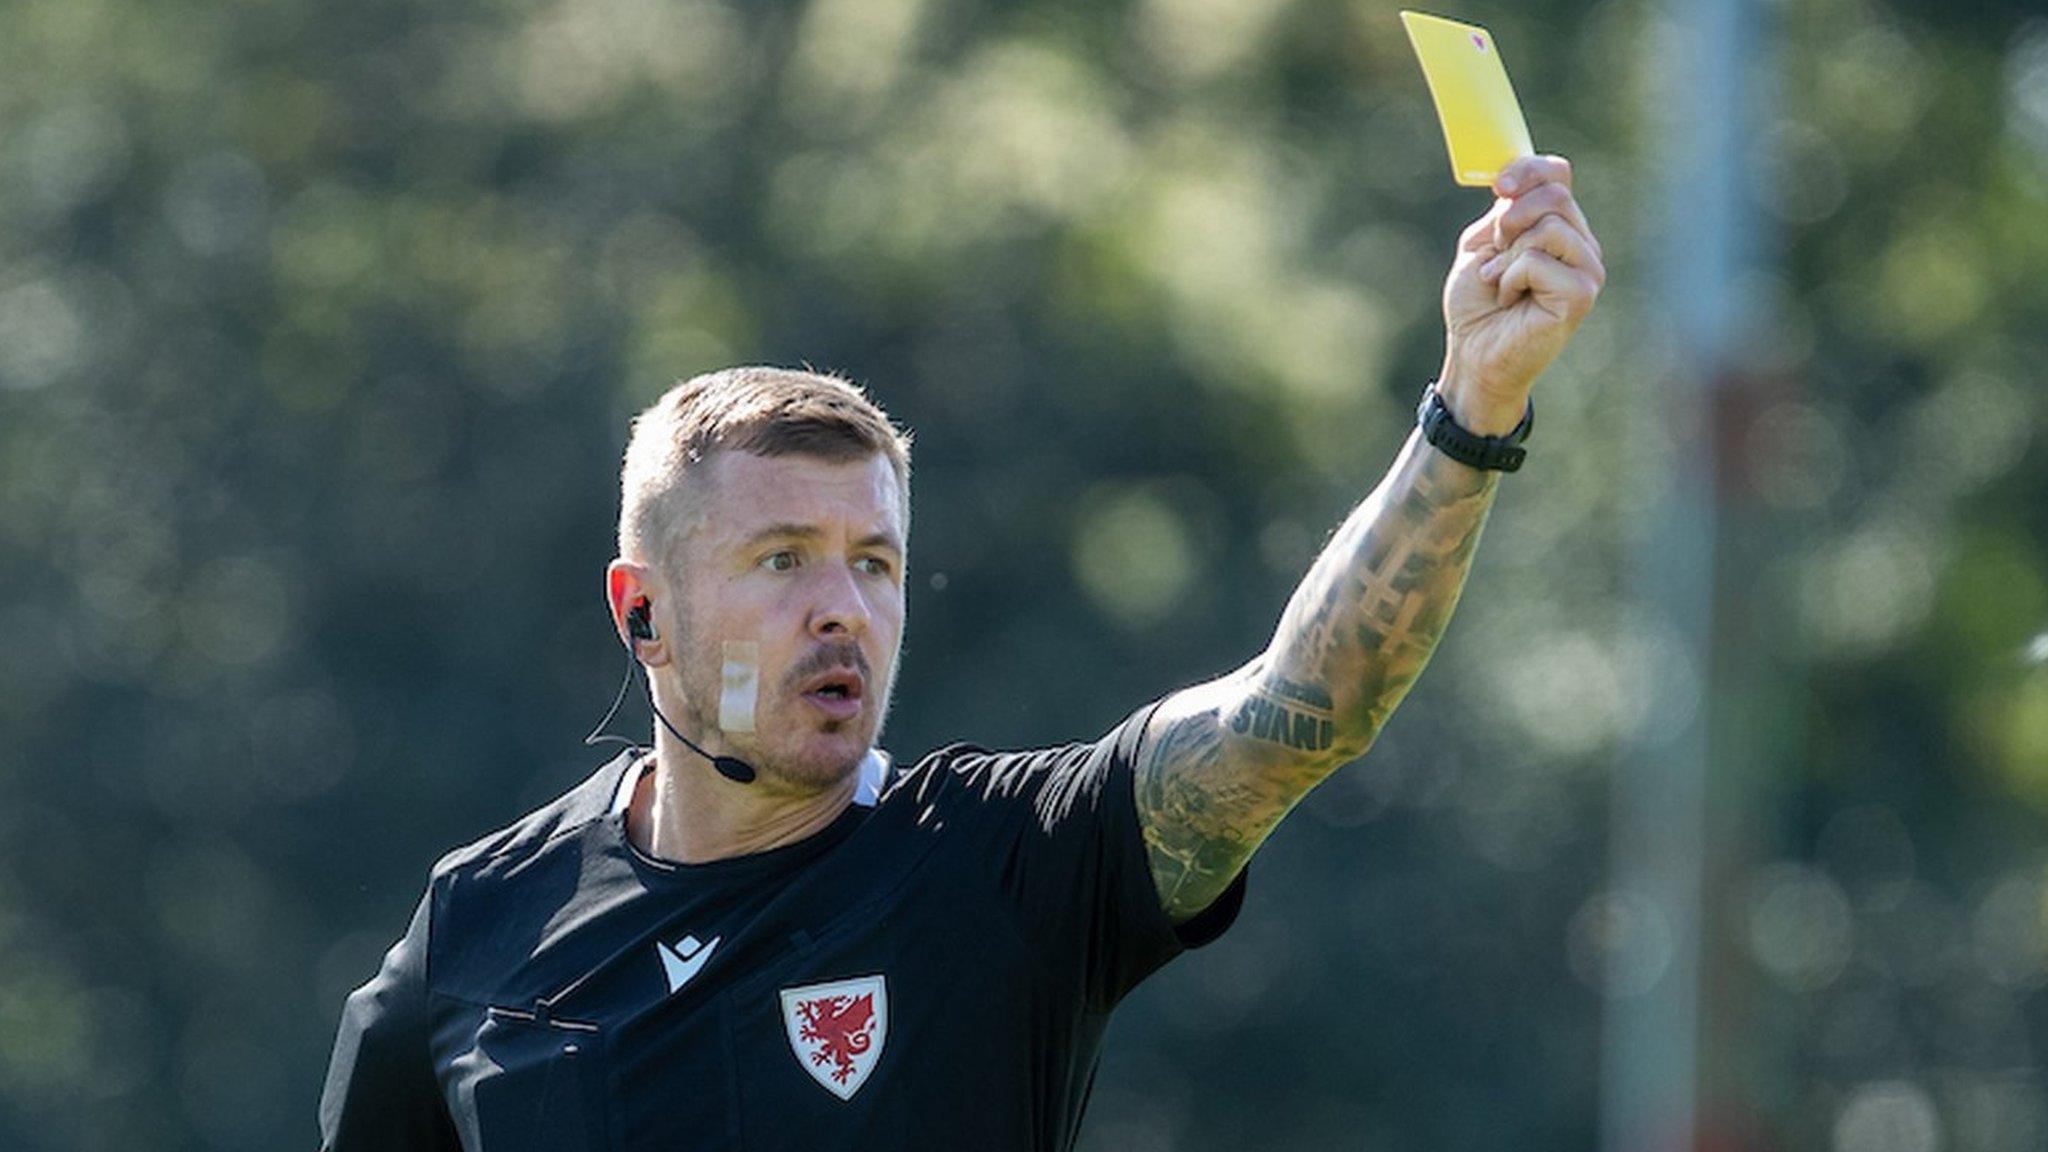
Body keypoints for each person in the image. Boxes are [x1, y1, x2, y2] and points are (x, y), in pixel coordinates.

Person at [319, 153, 1604, 1151]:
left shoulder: (1000, 866)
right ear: (640, 611)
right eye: (781, 561)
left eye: (872, 564)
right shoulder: (479, 928)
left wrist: (1471, 410)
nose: (841, 609)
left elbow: (1308, 701)